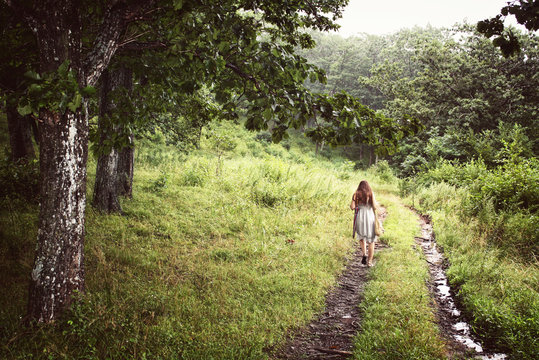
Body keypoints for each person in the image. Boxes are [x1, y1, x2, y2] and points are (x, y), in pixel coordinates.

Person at [350, 180, 378, 267]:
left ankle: (364, 254)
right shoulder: (371, 193)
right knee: (371, 240)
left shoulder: (356, 194)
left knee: (361, 237)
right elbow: (375, 207)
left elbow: (352, 207)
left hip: (360, 217)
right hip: (370, 217)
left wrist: (354, 200)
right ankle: (369, 262)